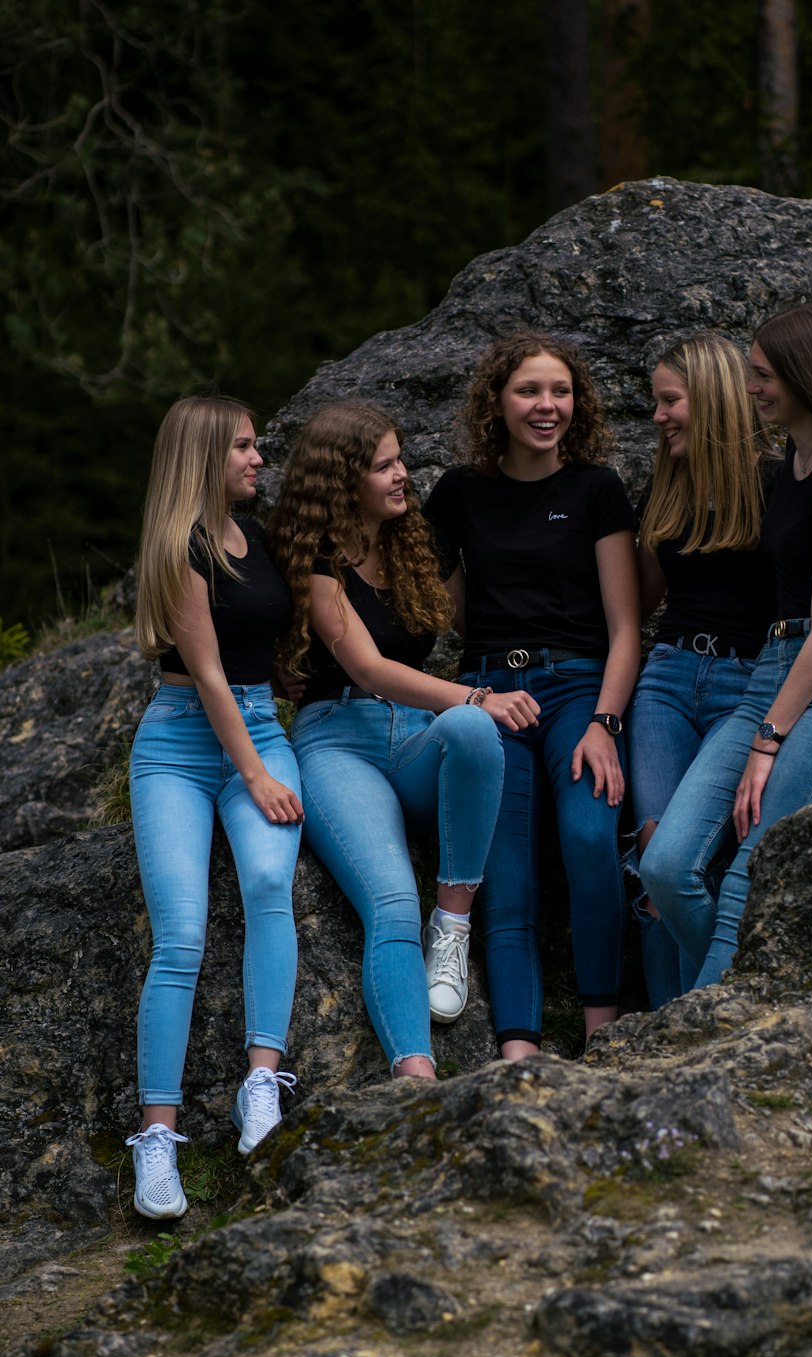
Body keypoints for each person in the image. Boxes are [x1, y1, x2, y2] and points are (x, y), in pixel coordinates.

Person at [640, 305, 812, 989]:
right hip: (771, 670)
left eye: (761, 376)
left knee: (748, 871)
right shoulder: (791, 463)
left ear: (803, 375)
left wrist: (767, 742)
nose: (751, 388)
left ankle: (699, 1045)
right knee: (667, 867)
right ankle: (709, 1018)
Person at [268, 404, 539, 1079]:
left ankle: (451, 923)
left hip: (415, 737)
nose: (401, 475)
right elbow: (367, 667)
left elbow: (480, 615)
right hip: (338, 742)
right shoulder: (320, 558)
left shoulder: (416, 539)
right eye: (384, 464)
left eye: (400, 459)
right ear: (342, 482)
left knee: (474, 731)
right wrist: (477, 693)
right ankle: (416, 1080)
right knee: (389, 900)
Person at [423, 331, 641, 1058]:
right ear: (498, 400)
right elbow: (437, 607)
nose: (547, 406)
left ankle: (600, 1032)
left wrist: (606, 722)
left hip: (579, 687)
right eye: (529, 391)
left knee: (587, 836)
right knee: (505, 870)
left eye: (560, 391)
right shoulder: (460, 492)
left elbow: (626, 625)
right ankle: (520, 1046)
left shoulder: (596, 489)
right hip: (490, 692)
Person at [128, 396, 305, 1221]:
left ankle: (259, 1083)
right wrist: (257, 776)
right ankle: (157, 1139)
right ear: (203, 456)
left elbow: (270, 649)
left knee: (270, 887)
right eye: (243, 446)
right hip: (180, 744)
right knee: (182, 937)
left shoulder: (256, 535)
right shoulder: (179, 546)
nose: (258, 457)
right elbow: (205, 674)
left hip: (261, 726)